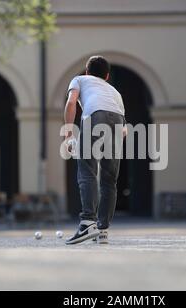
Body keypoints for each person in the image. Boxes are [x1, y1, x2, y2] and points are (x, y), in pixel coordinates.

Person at [64, 56, 126, 245]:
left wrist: (68, 133)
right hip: (117, 120)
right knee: (109, 179)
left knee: (87, 171)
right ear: (107, 76)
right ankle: (102, 230)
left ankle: (87, 223)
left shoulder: (80, 80)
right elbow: (124, 128)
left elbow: (71, 103)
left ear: (87, 71)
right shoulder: (115, 91)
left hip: (95, 115)